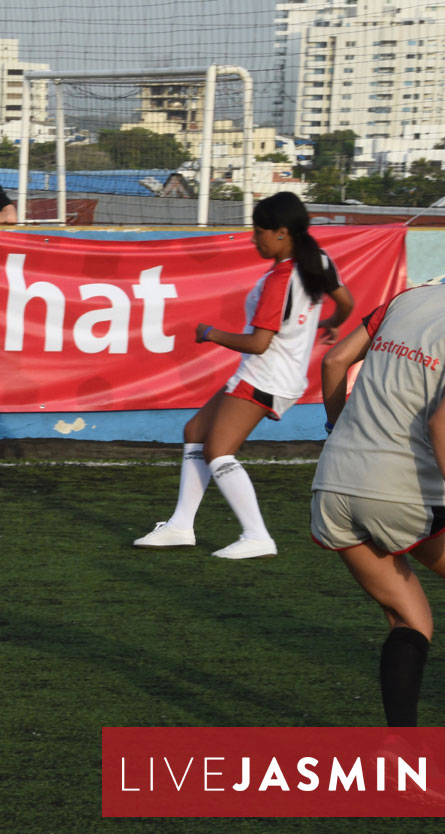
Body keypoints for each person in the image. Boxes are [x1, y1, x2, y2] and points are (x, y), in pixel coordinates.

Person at [133, 191, 354, 560]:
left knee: (219, 452)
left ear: (282, 232)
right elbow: (345, 302)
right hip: (270, 373)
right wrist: (332, 323)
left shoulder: (280, 280)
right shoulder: (317, 258)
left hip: (265, 374)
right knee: (195, 432)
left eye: (259, 232)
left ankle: (257, 536)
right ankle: (180, 526)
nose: (254, 239)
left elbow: (258, 343)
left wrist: (210, 333)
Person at [312, 284, 445, 726]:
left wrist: (335, 428)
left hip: (334, 483)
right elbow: (441, 424)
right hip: (403, 491)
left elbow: (334, 362)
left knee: (410, 620)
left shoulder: (407, 298)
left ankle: (401, 752)